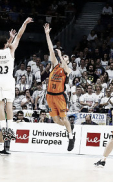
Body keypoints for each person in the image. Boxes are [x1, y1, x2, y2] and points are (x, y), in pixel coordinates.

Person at [0, 18, 33, 141]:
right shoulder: (11, 50)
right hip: (8, 80)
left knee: (0, 104)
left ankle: (3, 126)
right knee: (9, 104)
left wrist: (8, 39)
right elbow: (19, 36)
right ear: (6, 44)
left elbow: (2, 46)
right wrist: (24, 23)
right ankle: (9, 128)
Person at [44, 23, 75, 151]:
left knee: (63, 117)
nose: (63, 58)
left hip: (60, 96)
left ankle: (71, 136)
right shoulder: (55, 65)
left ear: (67, 60)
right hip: (49, 96)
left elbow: (65, 65)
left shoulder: (68, 69)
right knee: (56, 121)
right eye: (63, 57)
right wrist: (47, 34)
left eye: (66, 57)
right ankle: (70, 128)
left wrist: (62, 55)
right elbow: (51, 50)